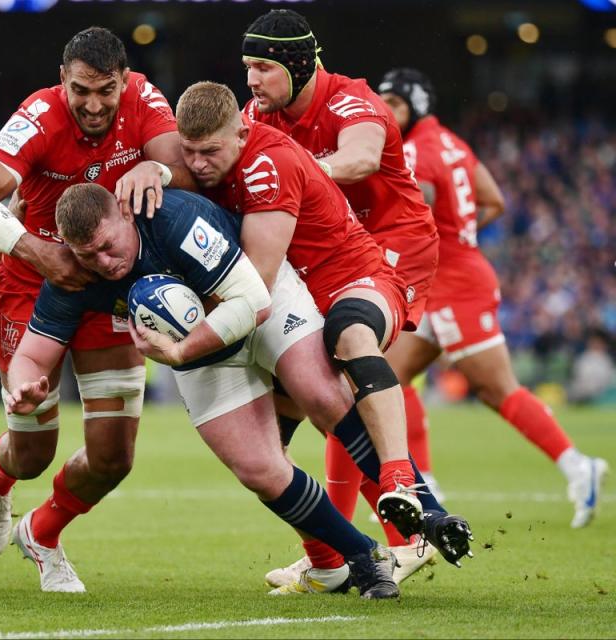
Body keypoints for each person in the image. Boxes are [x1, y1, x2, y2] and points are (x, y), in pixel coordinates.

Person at [8, 183, 400, 599]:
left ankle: (424, 513)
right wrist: (22, 388)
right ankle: (364, 557)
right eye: (88, 255)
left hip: (259, 296)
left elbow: (252, 298)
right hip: (198, 352)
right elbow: (31, 356)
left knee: (325, 397)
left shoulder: (171, 218)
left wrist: (179, 349)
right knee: (260, 470)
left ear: (125, 213)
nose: (104, 263)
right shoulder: (73, 274)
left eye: (107, 246)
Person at [173, 81, 471, 592]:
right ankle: (336, 556)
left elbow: (257, 285)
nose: (198, 164)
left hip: (350, 278)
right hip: (304, 294)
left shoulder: (270, 159)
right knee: (269, 451)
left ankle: (404, 491)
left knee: (345, 353)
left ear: (241, 134)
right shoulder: (226, 151)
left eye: (210, 151)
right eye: (189, 152)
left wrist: (184, 344)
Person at [0, 27, 192, 593]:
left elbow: (190, 169)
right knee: (33, 454)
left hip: (111, 285)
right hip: (33, 283)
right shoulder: (37, 116)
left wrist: (153, 170)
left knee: (113, 458)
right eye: (81, 90)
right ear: (63, 82)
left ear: (124, 81)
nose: (93, 104)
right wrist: (41, 252)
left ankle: (43, 533)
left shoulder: (145, 101)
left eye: (105, 90)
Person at [239, 10, 444, 585]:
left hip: (392, 244)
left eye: (262, 67)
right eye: (247, 67)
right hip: (328, 255)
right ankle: (339, 551)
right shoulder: (259, 114)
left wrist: (289, 176)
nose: (251, 80)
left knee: (346, 355)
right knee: (308, 391)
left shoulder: (350, 100)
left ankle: (404, 525)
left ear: (298, 65)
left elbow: (358, 159)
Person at [376, 67, 609, 529]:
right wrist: (459, 234)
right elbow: (494, 200)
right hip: (445, 277)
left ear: (416, 106)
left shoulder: (414, 150)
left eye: (396, 104)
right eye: (384, 103)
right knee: (386, 377)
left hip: (456, 285)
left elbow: (412, 210)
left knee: (496, 390)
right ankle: (426, 484)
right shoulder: (451, 142)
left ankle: (579, 466)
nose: (388, 112)